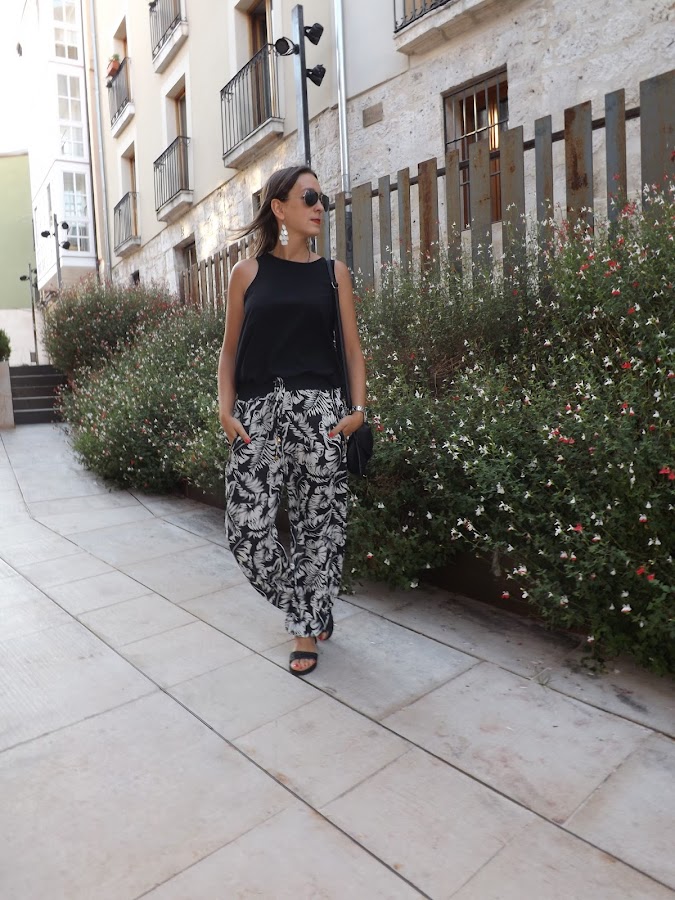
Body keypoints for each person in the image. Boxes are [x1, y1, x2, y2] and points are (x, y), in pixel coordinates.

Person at [217, 165, 367, 676]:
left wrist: (358, 411)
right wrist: (225, 409)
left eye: (322, 198)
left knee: (316, 528)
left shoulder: (333, 274)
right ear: (279, 208)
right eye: (309, 197)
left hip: (320, 414)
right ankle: (312, 602)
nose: (320, 206)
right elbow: (229, 351)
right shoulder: (247, 274)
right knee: (247, 530)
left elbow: (352, 350)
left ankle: (306, 628)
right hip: (257, 416)